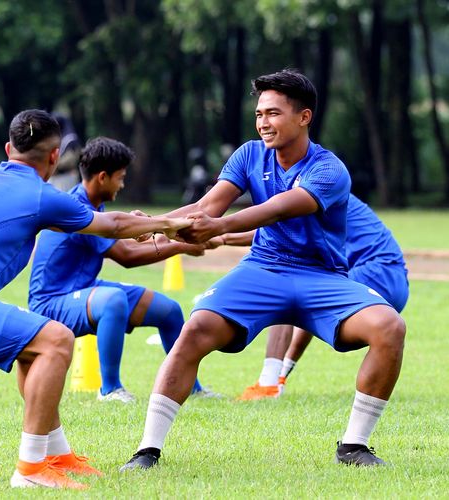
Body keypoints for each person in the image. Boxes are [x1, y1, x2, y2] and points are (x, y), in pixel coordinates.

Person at [119, 70, 406, 471]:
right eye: (259, 114)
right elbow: (207, 206)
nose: (263, 123)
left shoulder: (330, 169)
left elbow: (281, 207)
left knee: (390, 327)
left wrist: (219, 227)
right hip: (262, 270)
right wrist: (153, 223)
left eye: (273, 113)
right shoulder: (249, 154)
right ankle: (147, 451)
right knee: (194, 330)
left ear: (304, 117)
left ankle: (354, 446)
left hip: (321, 278)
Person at [0, 110, 192, 490]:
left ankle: (56, 454)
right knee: (57, 338)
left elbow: (109, 224)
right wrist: (168, 224)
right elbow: (113, 227)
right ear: (54, 158)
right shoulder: (38, 195)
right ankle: (30, 469)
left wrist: (146, 223)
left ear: (8, 149)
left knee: (34, 345)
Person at [29, 136, 217, 403]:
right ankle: (110, 389)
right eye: (120, 177)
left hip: (83, 290)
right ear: (103, 177)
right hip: (51, 301)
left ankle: (192, 389)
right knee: (113, 301)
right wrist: (182, 247)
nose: (123, 184)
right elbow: (126, 256)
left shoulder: (94, 205)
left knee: (170, 311)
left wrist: (164, 233)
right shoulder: (78, 210)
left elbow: (123, 235)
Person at [234, 193, 409, 399]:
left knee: (287, 285)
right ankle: (276, 381)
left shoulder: (314, 193)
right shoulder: (328, 190)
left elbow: (276, 231)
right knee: (302, 297)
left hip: (375, 271)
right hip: (396, 279)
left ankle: (268, 384)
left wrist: (220, 237)